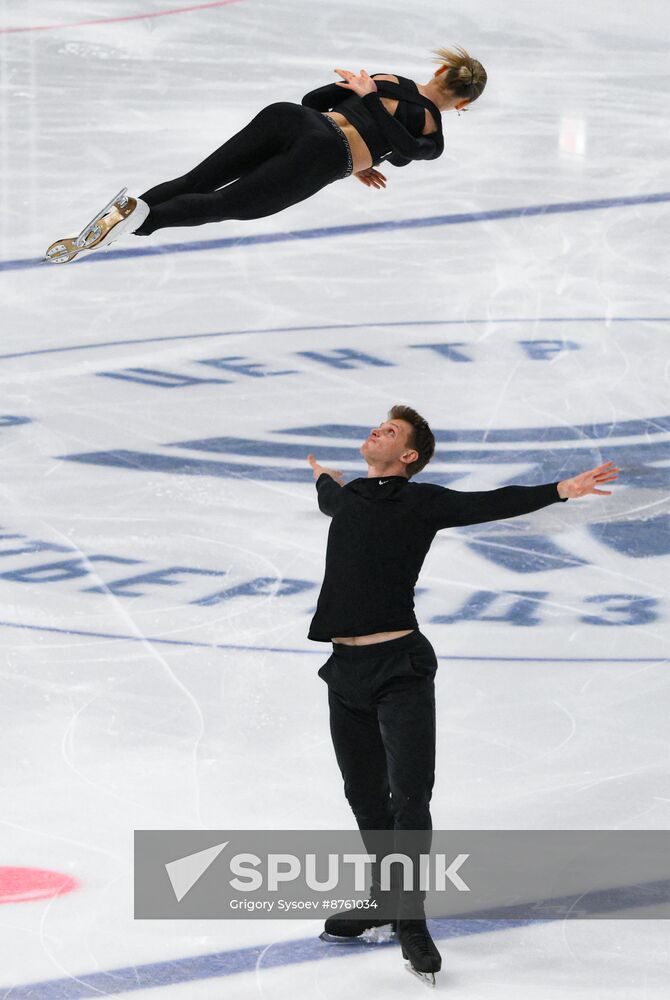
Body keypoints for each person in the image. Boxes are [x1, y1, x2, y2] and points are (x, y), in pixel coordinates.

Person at [307, 404, 619, 985]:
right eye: (380, 425)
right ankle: (383, 899)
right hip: (344, 671)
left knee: (409, 798)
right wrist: (324, 477)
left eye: (391, 431)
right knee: (364, 795)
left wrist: (561, 490)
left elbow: (491, 502)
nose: (377, 430)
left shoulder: (422, 502)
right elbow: (330, 499)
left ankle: (412, 919)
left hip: (399, 668)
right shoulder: (348, 499)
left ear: (408, 456)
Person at [43, 46, 486, 262]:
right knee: (226, 203)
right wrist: (362, 147)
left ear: (440, 69)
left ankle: (124, 214)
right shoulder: (431, 129)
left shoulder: (386, 78)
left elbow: (315, 99)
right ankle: (142, 221)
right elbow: (404, 149)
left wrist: (363, 107)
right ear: (463, 103)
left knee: (196, 180)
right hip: (325, 155)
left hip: (292, 119)